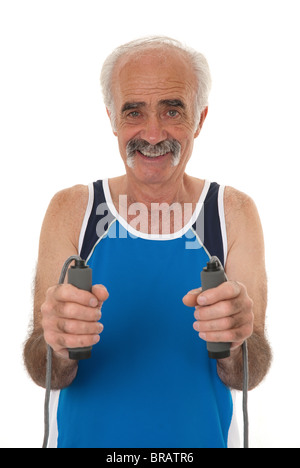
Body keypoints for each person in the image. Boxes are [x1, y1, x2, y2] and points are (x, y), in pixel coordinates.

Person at [23, 36, 272, 448]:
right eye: (134, 111)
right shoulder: (73, 210)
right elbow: (43, 369)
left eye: (172, 110)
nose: (153, 134)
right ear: (113, 120)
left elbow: (250, 371)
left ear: (200, 118)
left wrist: (236, 340)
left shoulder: (233, 213)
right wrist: (57, 342)